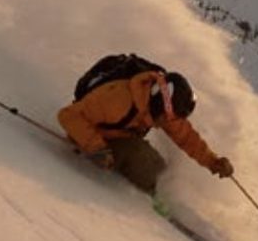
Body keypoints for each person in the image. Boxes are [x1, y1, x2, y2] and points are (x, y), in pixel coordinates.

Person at [56, 62, 234, 194]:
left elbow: (185, 136)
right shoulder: (118, 100)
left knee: (158, 168)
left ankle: (155, 191)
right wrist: (95, 147)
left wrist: (213, 161)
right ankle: (149, 197)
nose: (167, 122)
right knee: (141, 157)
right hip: (89, 139)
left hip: (114, 140)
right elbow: (68, 115)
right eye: (167, 117)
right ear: (160, 103)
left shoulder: (161, 108)